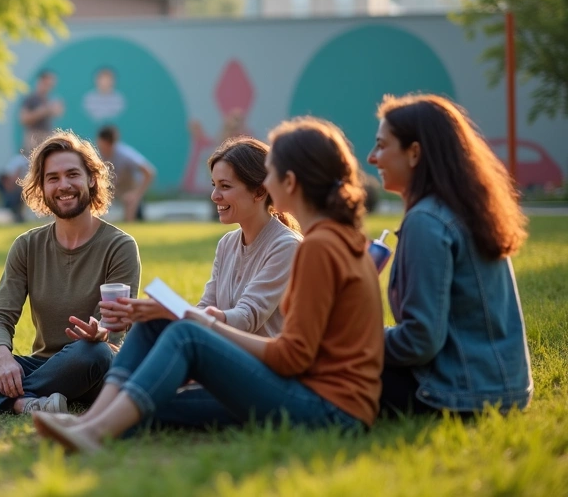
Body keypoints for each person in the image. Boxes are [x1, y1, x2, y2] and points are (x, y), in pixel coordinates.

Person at [35, 117, 384, 452]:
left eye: (272, 171)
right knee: (159, 347)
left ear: (287, 182)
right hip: (303, 392)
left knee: (182, 341)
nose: (268, 179)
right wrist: (179, 316)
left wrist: (198, 322)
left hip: (328, 410)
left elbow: (291, 357)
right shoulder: (326, 240)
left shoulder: (315, 247)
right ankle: (92, 422)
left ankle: (95, 432)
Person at [0, 130, 141, 415]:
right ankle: (23, 401)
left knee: (93, 352)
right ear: (42, 187)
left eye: (73, 174)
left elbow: (115, 330)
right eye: (53, 178)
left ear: (92, 179)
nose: (64, 185)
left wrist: (102, 332)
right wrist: (4, 359)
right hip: (42, 365)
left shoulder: (120, 245)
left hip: (93, 362)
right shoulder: (27, 245)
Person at [368, 94, 533, 415]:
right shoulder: (466, 208)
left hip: (460, 392)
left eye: (381, 145)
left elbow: (420, 340)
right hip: (502, 387)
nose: (372, 158)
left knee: (328, 370)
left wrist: (355, 341)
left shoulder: (426, 221)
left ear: (414, 153)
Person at [108, 136, 302, 338]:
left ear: (260, 191)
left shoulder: (286, 246)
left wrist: (175, 312)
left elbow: (246, 319)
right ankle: (118, 370)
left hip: (259, 362)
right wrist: (161, 311)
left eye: (225, 186)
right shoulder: (227, 243)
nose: (214, 195)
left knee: (177, 333)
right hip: (225, 350)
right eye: (214, 185)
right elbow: (206, 306)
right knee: (150, 324)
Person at [95, 125, 156, 222]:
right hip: (111, 190)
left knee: (130, 208)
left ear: (107, 143)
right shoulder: (98, 155)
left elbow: (149, 172)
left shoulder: (125, 154)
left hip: (128, 190)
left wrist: (136, 195)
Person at [19, 70, 64, 150]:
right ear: (41, 81)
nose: (49, 86)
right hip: (33, 138)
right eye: (47, 83)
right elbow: (23, 119)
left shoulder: (50, 99)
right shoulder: (31, 99)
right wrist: (43, 111)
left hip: (47, 137)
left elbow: (59, 113)